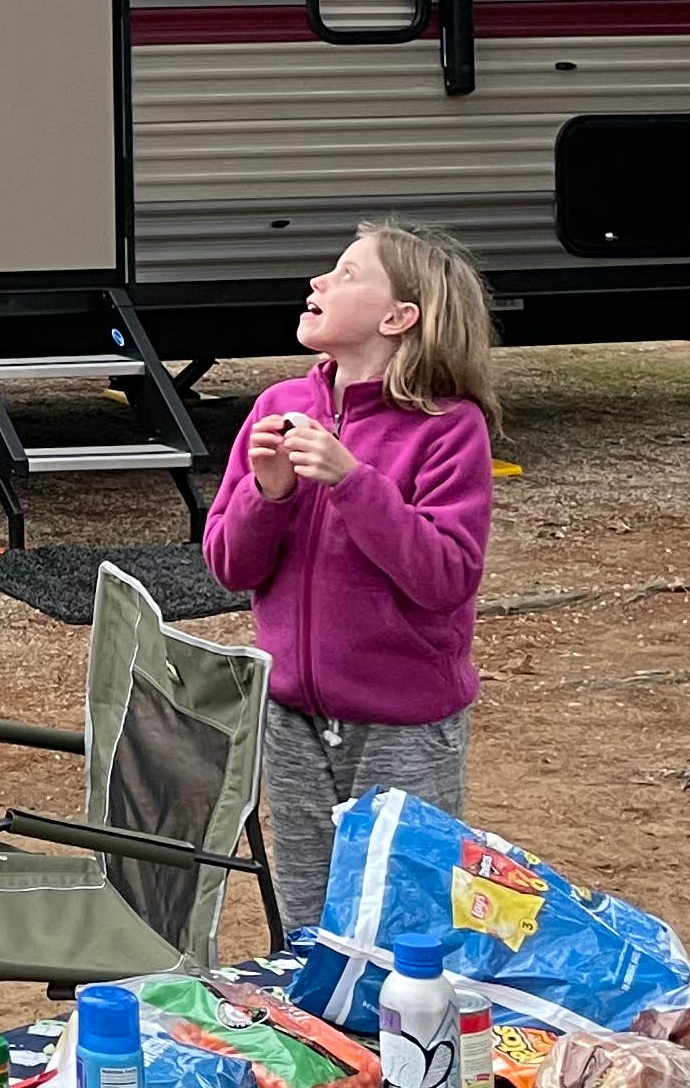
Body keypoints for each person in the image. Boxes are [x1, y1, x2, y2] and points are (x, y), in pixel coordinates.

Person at [199, 222, 500, 935]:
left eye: (345, 273)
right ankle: (328, 1041)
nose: (318, 283)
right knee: (311, 922)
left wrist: (352, 482)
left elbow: (446, 576)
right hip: (291, 717)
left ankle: (405, 1046)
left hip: (405, 724)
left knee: (405, 923)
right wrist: (266, 496)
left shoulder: (447, 428)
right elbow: (228, 566)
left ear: (399, 318)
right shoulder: (277, 409)